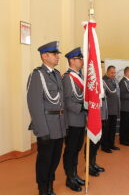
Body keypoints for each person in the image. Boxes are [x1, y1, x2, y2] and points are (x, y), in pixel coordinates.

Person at [27, 41, 67, 195]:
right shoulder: (37, 75)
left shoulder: (57, 74)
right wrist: (42, 130)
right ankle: (43, 189)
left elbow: (61, 102)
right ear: (45, 56)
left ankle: (50, 185)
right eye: (55, 54)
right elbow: (34, 105)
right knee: (44, 160)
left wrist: (65, 126)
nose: (58, 57)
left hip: (59, 125)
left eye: (57, 54)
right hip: (47, 126)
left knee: (55, 159)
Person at [62, 47, 86, 192]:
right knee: (70, 150)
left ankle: (74, 174)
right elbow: (67, 101)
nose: (82, 61)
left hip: (80, 119)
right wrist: (82, 107)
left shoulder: (79, 76)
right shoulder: (67, 77)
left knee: (77, 148)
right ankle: (69, 178)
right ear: (72, 60)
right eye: (80, 58)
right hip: (72, 120)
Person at [101, 66, 121, 153]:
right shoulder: (103, 81)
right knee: (106, 129)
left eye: (114, 72)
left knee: (113, 128)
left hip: (115, 108)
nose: (113, 74)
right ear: (107, 72)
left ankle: (111, 144)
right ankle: (105, 146)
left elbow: (117, 94)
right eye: (112, 73)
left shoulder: (115, 80)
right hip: (107, 109)